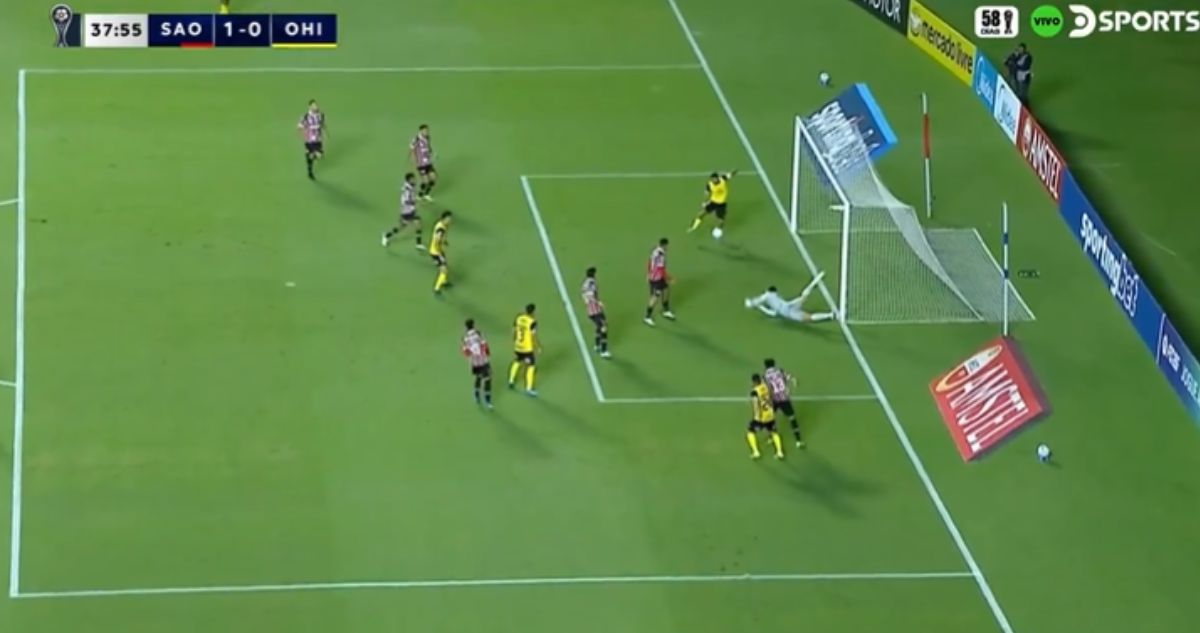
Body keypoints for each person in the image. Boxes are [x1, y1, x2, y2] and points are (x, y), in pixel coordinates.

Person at [744, 272, 834, 323]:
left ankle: (829, 315)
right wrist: (758, 306)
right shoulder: (771, 295)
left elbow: (769, 310)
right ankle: (816, 280)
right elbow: (766, 307)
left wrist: (755, 305)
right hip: (789, 305)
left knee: (809, 317)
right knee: (803, 296)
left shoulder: (767, 296)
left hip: (788, 312)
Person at [763, 359, 804, 448]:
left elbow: (767, 389)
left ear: (765, 366)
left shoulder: (765, 376)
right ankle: (798, 441)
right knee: (792, 418)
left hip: (774, 400)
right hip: (784, 399)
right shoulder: (780, 371)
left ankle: (770, 437)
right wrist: (795, 382)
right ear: (774, 364)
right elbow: (791, 378)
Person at [747, 374, 785, 460]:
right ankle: (780, 452)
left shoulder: (754, 392)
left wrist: (756, 417)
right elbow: (771, 397)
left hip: (761, 417)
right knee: (774, 432)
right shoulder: (766, 387)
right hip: (770, 414)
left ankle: (756, 452)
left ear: (754, 382)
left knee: (750, 431)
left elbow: (756, 405)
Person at [687, 171, 737, 235]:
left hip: (721, 204)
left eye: (714, 179)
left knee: (721, 220)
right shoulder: (709, 184)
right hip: (713, 202)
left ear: (718, 178)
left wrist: (735, 172)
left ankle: (718, 230)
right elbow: (707, 194)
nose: (713, 180)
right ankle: (693, 227)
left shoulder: (723, 179)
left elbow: (730, 175)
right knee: (701, 214)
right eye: (712, 179)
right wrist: (705, 202)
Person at [381, 173, 423, 249]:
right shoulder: (407, 189)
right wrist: (415, 202)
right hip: (406, 211)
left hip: (411, 210)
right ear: (409, 180)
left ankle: (418, 244)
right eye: (413, 179)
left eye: (414, 178)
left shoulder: (411, 186)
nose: (414, 180)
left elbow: (413, 196)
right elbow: (405, 201)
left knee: (412, 225)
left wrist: (415, 201)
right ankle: (386, 236)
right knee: (406, 225)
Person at [508, 304, 540, 396]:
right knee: (531, 366)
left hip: (518, 346)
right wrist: (537, 347)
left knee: (517, 361)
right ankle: (528, 388)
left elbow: (514, 331)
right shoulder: (532, 322)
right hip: (527, 348)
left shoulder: (518, 318)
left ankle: (511, 381)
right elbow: (533, 337)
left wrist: (515, 341)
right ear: (533, 312)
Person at [461, 319, 493, 409]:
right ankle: (488, 401)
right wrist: (488, 353)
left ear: (466, 327)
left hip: (474, 363)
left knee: (478, 377)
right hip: (483, 361)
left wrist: (472, 356)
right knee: (488, 379)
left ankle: (476, 395)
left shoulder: (464, 337)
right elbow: (485, 345)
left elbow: (466, 352)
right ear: (473, 325)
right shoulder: (478, 333)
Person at [644, 238, 675, 326]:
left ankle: (666, 310)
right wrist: (670, 278)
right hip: (656, 278)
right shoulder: (660, 255)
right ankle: (647, 317)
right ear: (664, 245)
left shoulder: (655, 250)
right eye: (667, 246)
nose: (668, 247)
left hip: (657, 277)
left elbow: (649, 262)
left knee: (666, 290)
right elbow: (662, 270)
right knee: (655, 297)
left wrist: (648, 273)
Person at [581, 267, 611, 358]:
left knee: (599, 326)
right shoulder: (591, 283)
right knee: (603, 327)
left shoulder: (585, 283)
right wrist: (598, 302)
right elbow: (591, 295)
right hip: (595, 310)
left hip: (591, 310)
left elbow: (584, 295)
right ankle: (603, 350)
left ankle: (597, 345)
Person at [297, 100, 325, 180]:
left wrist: (325, 132)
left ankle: (309, 154)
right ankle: (310, 170)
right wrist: (305, 131)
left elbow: (322, 124)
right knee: (311, 156)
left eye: (316, 105)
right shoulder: (305, 116)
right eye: (313, 105)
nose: (315, 107)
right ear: (309, 106)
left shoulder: (320, 115)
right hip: (309, 140)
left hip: (318, 139)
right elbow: (299, 126)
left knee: (320, 155)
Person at [410, 124, 437, 200]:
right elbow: (412, 149)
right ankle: (420, 195)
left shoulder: (428, 137)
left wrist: (432, 153)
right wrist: (415, 161)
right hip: (421, 164)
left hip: (428, 162)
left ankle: (426, 194)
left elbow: (428, 146)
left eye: (427, 130)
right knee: (426, 181)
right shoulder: (416, 139)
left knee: (433, 178)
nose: (426, 132)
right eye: (425, 130)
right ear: (421, 131)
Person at [429, 211, 452, 293]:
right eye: (448, 219)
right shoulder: (441, 229)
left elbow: (440, 238)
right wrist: (439, 255)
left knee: (444, 266)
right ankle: (437, 288)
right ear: (444, 219)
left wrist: (444, 241)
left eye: (450, 219)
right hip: (436, 252)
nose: (450, 220)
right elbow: (436, 242)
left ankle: (444, 281)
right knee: (444, 270)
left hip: (438, 251)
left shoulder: (440, 224)